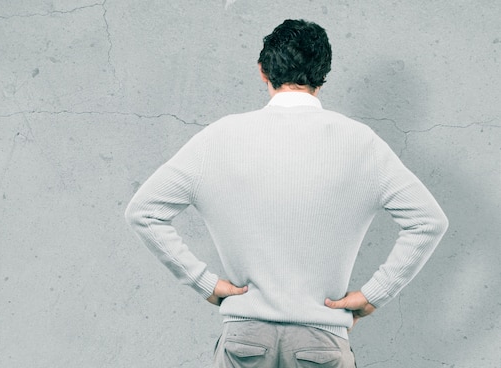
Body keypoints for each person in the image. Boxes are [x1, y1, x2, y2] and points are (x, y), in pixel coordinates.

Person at [124, 19, 448, 368]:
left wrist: (203, 282)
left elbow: (144, 211)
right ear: (323, 75)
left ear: (263, 71)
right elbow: (428, 221)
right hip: (322, 343)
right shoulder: (360, 143)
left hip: (243, 342)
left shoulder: (219, 137)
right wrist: (374, 295)